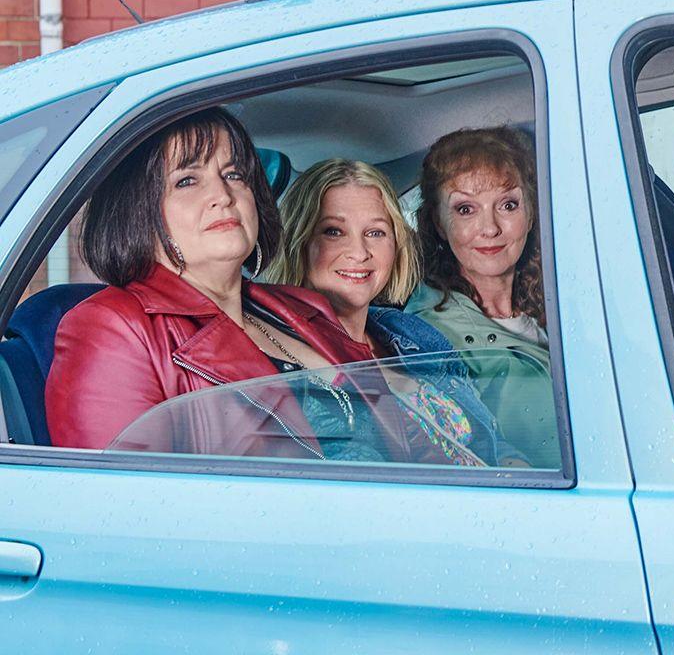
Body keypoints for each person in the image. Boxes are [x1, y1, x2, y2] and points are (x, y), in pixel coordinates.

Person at [45, 109, 380, 457]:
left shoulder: (304, 307)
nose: (223, 194)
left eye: (234, 174)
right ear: (137, 210)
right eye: (187, 180)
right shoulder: (111, 327)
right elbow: (121, 502)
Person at [264, 157, 527, 467]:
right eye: (333, 231)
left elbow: (491, 440)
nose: (360, 253)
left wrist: (515, 468)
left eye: (375, 232)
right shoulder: (283, 361)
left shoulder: (412, 333)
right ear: (300, 240)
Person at [404, 127, 559, 469]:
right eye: (465, 210)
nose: (490, 228)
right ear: (440, 224)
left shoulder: (562, 303)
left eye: (507, 204)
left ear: (530, 213)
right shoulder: (427, 335)